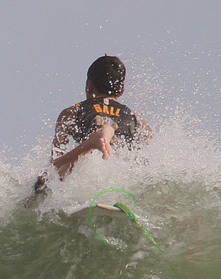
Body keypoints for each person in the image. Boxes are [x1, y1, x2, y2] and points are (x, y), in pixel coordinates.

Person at [35, 55, 151, 190]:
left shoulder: (72, 112)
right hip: (120, 175)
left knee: (47, 176)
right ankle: (106, 134)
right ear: (121, 91)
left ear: (89, 85)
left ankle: (90, 144)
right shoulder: (135, 119)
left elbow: (57, 164)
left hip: (88, 171)